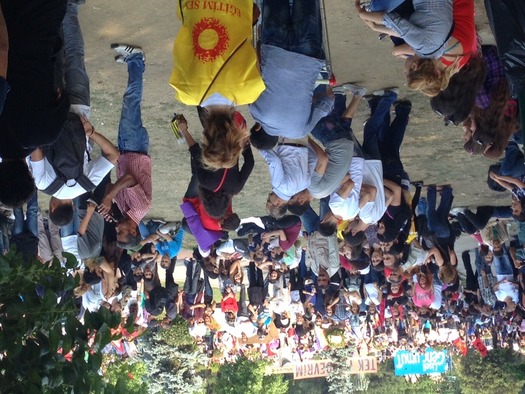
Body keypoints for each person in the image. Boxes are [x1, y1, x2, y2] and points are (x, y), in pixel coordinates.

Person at [169, 0, 264, 170]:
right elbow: (183, 47)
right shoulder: (186, 93)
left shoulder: (250, 90)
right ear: (205, 135)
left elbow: (254, 49)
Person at [0, 0, 69, 208]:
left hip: (42, 29)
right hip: (7, 20)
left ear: (29, 173)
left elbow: (61, 96)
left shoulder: (47, 133)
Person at [249, 0, 334, 141]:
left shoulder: (300, 132)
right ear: (257, 127)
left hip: (308, 58)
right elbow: (256, 70)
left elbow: (327, 101)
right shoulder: (256, 113)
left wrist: (314, 98)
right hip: (274, 50)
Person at [97, 45, 152, 249]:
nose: (117, 228)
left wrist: (107, 201)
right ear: (134, 231)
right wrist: (111, 196)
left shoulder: (124, 209)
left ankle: (134, 65)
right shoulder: (139, 208)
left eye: (116, 231)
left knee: (130, 103)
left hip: (125, 150)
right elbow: (128, 179)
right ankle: (136, 59)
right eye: (122, 231)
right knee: (131, 101)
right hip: (135, 147)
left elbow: (114, 184)